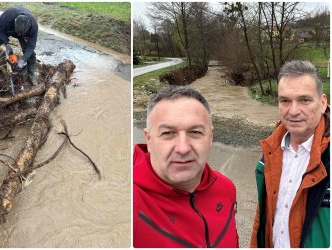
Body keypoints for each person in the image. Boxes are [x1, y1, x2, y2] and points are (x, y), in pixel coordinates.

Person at [133, 86, 239, 248]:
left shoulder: (226, 188)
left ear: (210, 138)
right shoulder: (130, 203)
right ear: (148, 139)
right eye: (168, 133)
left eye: (195, 132)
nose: (183, 148)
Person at [250, 60, 330, 248]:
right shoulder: (270, 152)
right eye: (285, 100)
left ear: (322, 102)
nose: (293, 111)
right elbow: (263, 216)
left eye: (304, 100)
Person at [0, 6, 38, 86]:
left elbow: (31, 47)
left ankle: (31, 75)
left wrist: (23, 60)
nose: (18, 35)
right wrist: (7, 44)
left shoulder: (33, 26)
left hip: (25, 34)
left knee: (31, 55)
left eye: (20, 33)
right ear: (15, 21)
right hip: (9, 30)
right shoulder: (7, 16)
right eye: (18, 32)